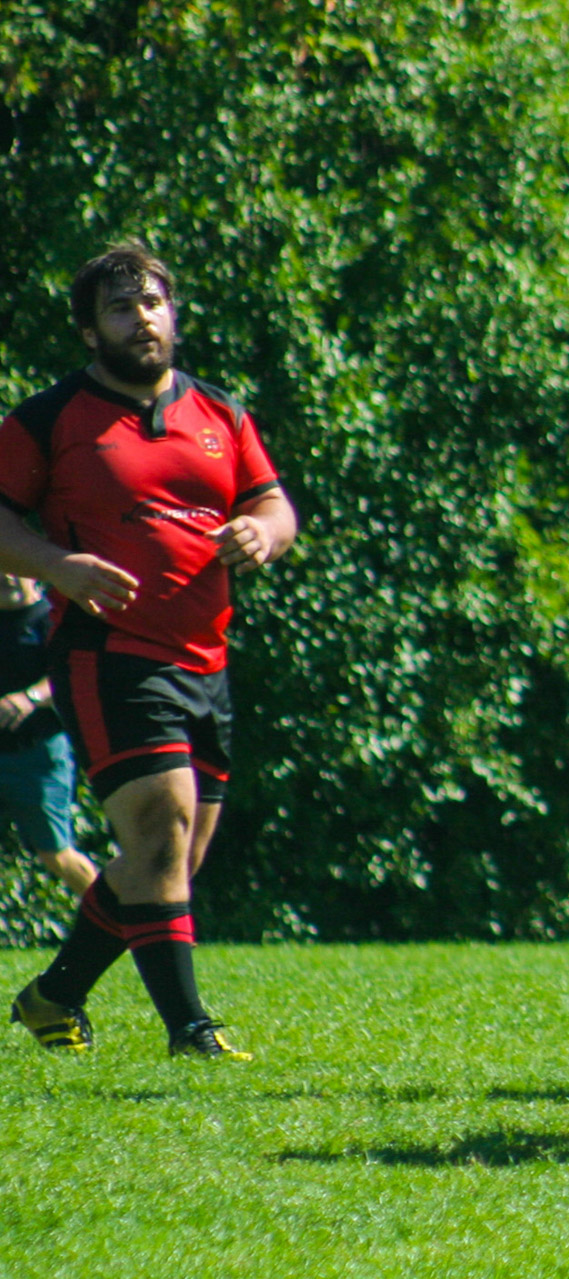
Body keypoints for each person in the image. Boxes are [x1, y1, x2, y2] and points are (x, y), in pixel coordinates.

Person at [1, 243, 297, 1060]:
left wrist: (262, 534)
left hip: (207, 657)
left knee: (166, 862)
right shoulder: (47, 420)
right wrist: (57, 565)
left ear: (174, 313)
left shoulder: (221, 416)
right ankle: (191, 1031)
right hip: (111, 654)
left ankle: (53, 995)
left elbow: (274, 504)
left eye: (155, 303)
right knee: (159, 842)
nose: (144, 319)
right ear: (90, 331)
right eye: (123, 308)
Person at [0, 574, 96, 895]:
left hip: (37, 755)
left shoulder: (52, 620)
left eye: (15, 567)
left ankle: (125, 924)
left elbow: (74, 675)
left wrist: (30, 698)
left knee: (56, 853)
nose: (6, 575)